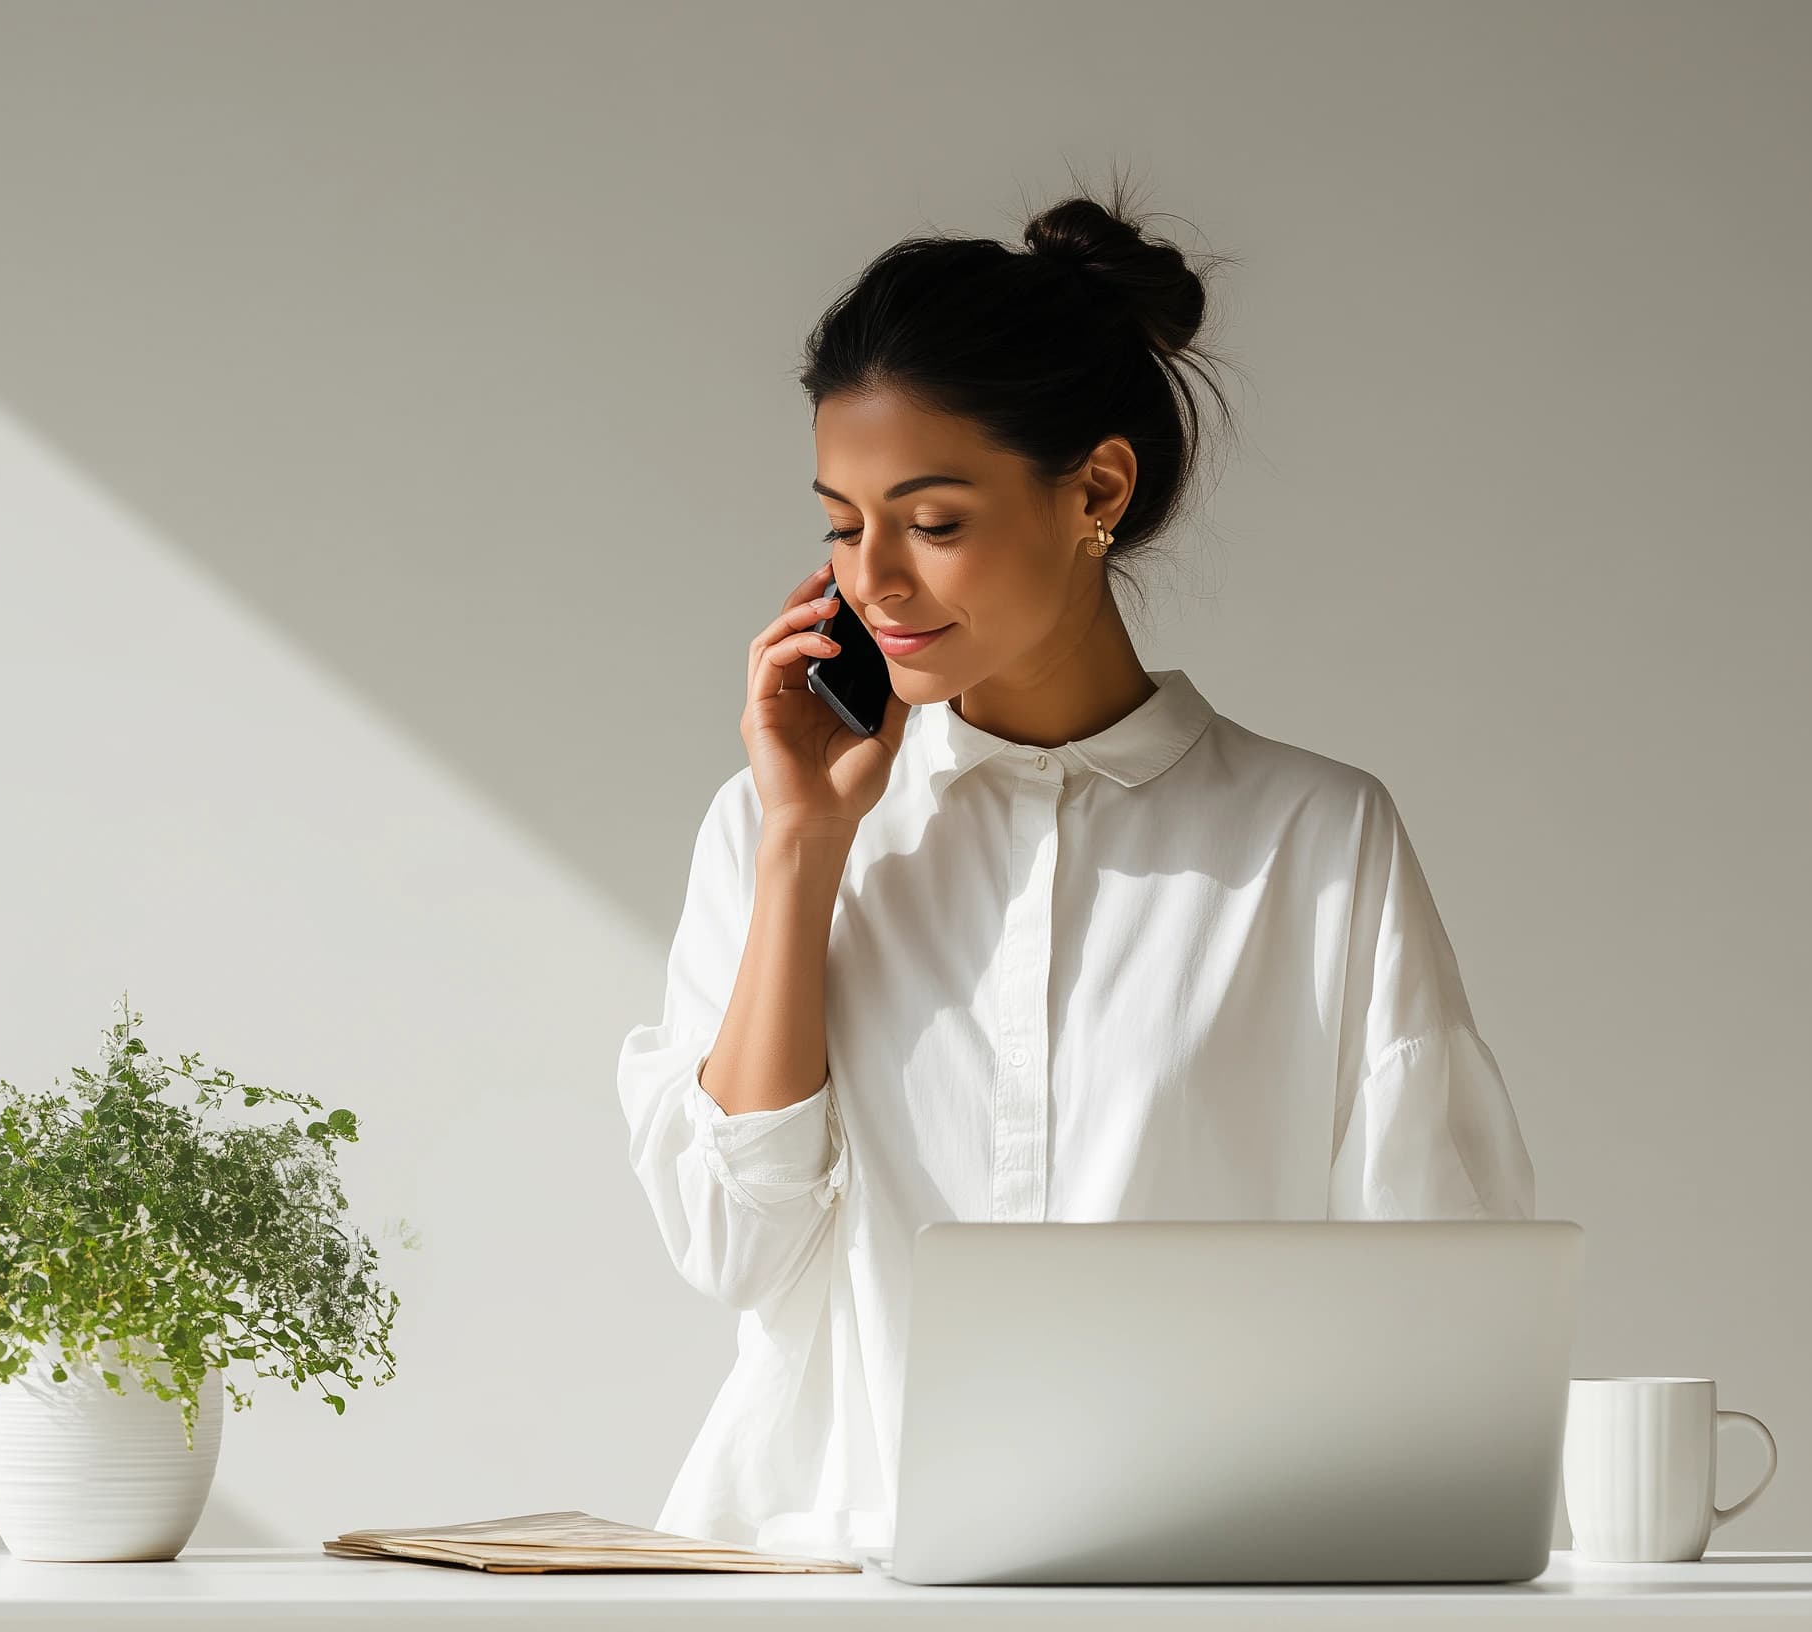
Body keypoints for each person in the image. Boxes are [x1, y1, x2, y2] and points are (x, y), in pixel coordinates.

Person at [612, 177, 1536, 1564]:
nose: (873, 579)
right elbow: (733, 1254)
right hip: (827, 1573)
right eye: (840, 523)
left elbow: (1447, 1301)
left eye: (931, 521)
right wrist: (808, 848)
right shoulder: (773, 828)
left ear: (1096, 489)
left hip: (1198, 1578)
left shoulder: (1315, 841)